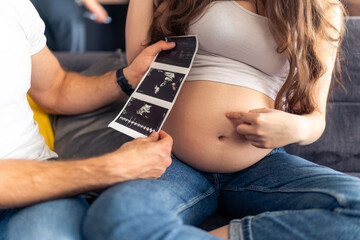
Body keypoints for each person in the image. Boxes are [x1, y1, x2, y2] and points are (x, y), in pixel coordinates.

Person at [82, 0, 360, 239]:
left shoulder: (320, 8)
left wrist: (295, 126)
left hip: (262, 166)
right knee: (112, 218)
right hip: (172, 160)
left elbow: (315, 118)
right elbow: (139, 67)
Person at [0, 0, 175, 239]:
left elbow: (55, 88)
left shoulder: (13, 6)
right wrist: (113, 167)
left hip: (42, 186)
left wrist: (128, 76)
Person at [30, 0, 109, 52]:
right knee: (71, 57)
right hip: (59, 5)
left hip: (32, 4)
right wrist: (93, 5)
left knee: (41, 49)